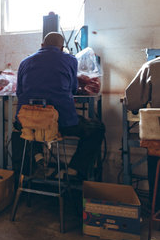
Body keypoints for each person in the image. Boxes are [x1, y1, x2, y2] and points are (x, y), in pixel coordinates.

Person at [13, 32, 105, 180]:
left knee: (19, 129)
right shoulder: (70, 60)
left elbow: (19, 92)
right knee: (97, 128)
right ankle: (74, 170)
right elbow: (73, 89)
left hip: (28, 122)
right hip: (60, 124)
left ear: (41, 45)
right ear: (62, 48)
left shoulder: (25, 62)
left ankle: (26, 172)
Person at [125, 55, 160, 210]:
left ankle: (157, 210)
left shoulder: (152, 66)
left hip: (158, 139)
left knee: (156, 160)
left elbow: (133, 101)